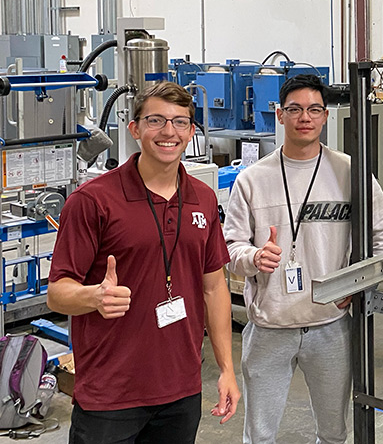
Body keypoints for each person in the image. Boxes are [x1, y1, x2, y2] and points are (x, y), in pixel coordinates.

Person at [48, 81, 239, 443]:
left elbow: (214, 287)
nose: (169, 132)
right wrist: (93, 298)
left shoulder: (202, 198)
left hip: (181, 390)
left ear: (191, 132)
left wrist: (226, 370)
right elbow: (57, 293)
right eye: (156, 120)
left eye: (180, 122)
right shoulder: (93, 201)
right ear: (134, 129)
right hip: (111, 394)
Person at [224, 74, 383, 444]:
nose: (305, 117)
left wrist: (360, 283)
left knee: (334, 432)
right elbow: (229, 248)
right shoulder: (252, 180)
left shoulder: (349, 172)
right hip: (270, 327)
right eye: (295, 109)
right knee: (259, 434)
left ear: (324, 116)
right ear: (279, 114)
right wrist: (254, 257)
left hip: (330, 325)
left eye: (314, 109)